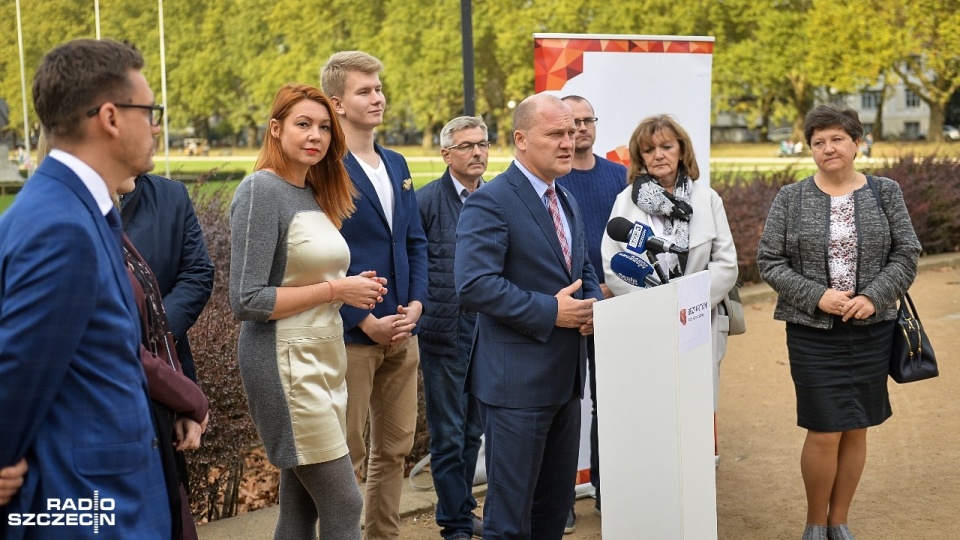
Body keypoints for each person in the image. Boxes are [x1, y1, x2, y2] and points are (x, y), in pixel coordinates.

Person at [0, 38, 171, 537]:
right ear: (112, 118)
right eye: (150, 110)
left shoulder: (72, 210)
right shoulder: (62, 227)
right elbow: (16, 375)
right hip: (88, 512)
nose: (156, 125)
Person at [229, 83, 387, 540]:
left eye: (323, 127)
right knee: (344, 501)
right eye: (303, 124)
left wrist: (348, 290)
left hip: (323, 359)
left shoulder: (312, 191)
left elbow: (308, 278)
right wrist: (336, 288)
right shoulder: (261, 190)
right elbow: (248, 300)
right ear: (275, 129)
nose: (315, 135)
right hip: (284, 366)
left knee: (299, 508)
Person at [757, 104, 921, 540]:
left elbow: (906, 253)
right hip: (813, 333)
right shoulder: (791, 198)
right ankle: (815, 522)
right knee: (825, 428)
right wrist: (818, 296)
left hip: (873, 328)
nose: (828, 148)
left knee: (856, 426)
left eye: (836, 139)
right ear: (809, 148)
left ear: (856, 143)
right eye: (818, 142)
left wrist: (873, 296)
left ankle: (839, 520)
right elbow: (769, 262)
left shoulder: (885, 192)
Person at [455, 93, 603, 539]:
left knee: (552, 515)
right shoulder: (492, 201)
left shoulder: (566, 199)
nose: (569, 142)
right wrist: (551, 311)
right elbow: (474, 285)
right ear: (521, 139)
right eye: (555, 133)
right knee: (509, 520)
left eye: (572, 132)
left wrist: (593, 306)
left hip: (566, 381)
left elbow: (583, 267)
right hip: (515, 385)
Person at [320, 51, 428, 539]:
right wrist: (361, 321)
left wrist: (417, 306)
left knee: (396, 448)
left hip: (404, 332)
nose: (377, 97)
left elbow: (413, 241)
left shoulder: (397, 162)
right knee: (346, 454)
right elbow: (316, 256)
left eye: (379, 88)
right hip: (351, 336)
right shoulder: (325, 167)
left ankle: (383, 535)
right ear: (336, 103)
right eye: (365, 91)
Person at [600, 114, 738, 465]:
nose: (658, 154)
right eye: (649, 149)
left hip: (698, 322)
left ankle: (695, 473)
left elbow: (726, 264)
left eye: (666, 146)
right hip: (645, 325)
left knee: (694, 405)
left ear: (681, 151)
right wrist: (653, 307)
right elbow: (613, 264)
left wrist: (688, 303)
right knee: (652, 406)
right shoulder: (625, 203)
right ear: (640, 157)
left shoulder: (708, 199)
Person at [555, 95, 626, 531]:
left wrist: (606, 292)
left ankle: (608, 489)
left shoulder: (620, 176)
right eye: (571, 122)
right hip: (563, 308)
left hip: (614, 308)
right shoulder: (551, 178)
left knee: (610, 405)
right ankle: (559, 500)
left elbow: (631, 243)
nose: (580, 129)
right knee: (562, 407)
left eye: (586, 120)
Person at [417, 116, 489, 540]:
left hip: (491, 331)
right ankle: (455, 526)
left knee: (473, 431)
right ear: (446, 154)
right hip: (444, 332)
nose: (477, 152)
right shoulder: (426, 203)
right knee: (448, 434)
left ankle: (461, 508)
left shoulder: (498, 197)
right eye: (466, 146)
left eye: (481, 144)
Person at [121, 173, 215, 382]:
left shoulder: (172, 195)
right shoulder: (67, 204)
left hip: (167, 368)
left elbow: (197, 271)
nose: (154, 138)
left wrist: (158, 334)